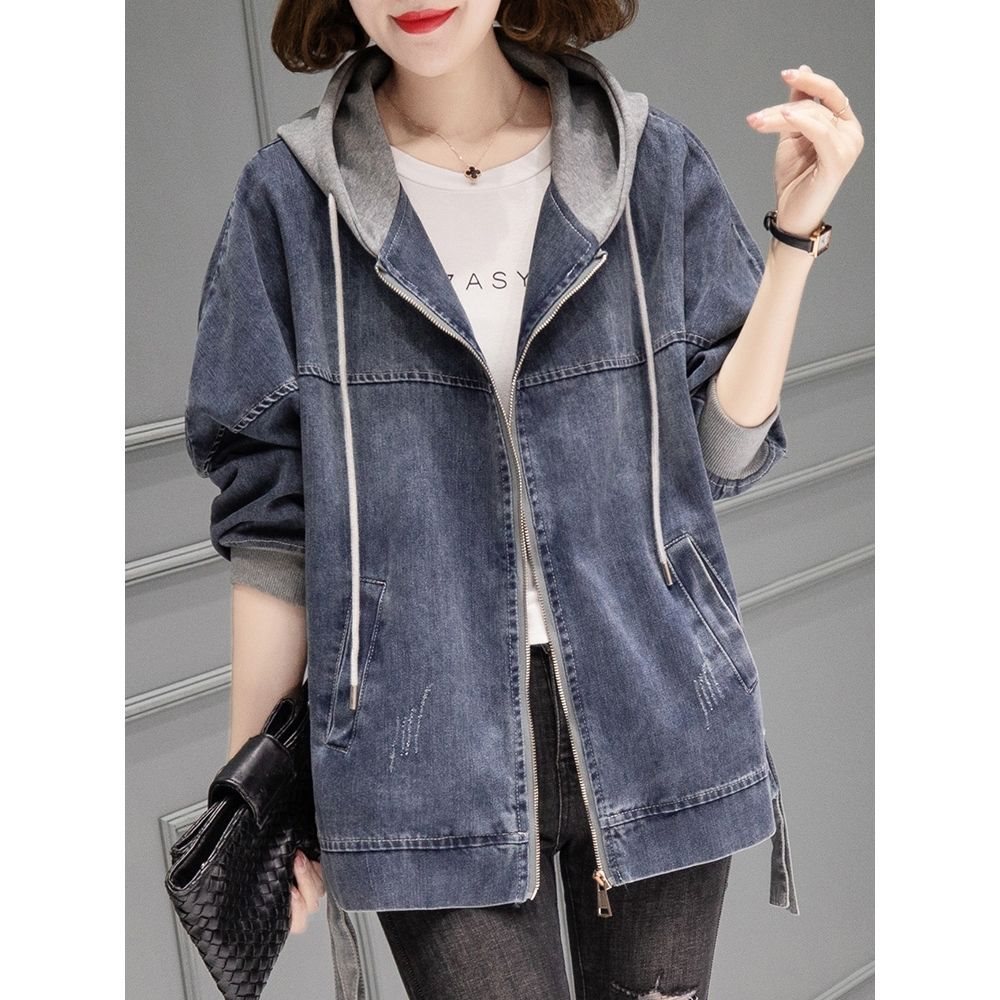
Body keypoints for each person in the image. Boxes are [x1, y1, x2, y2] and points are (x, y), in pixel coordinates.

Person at [183, 1, 864, 996]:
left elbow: (723, 452)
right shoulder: (289, 202)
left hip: (658, 710)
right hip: (422, 746)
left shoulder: (645, 162)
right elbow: (271, 525)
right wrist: (262, 796)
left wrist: (794, 237)